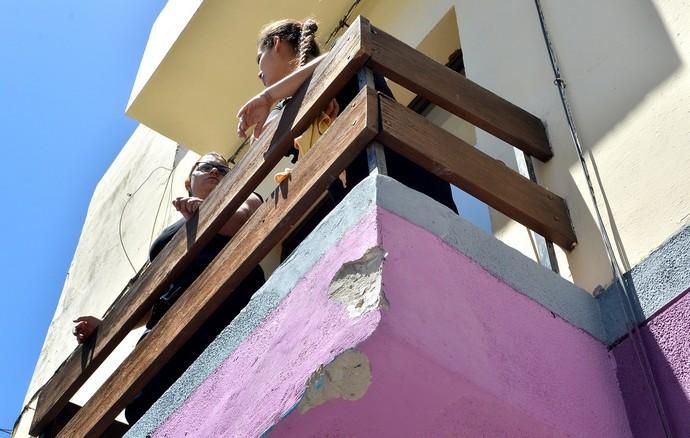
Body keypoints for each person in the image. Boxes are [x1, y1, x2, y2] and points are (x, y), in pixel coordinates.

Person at [73, 152, 265, 424]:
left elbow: (239, 221)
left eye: (223, 170)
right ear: (189, 181)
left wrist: (205, 209)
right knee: (149, 409)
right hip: (164, 330)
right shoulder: (168, 233)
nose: (215, 172)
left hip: (222, 307)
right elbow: (153, 297)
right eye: (207, 167)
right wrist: (106, 328)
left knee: (220, 391)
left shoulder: (245, 194)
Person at [237, 18, 458, 216]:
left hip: (414, 185)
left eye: (259, 59)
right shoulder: (283, 108)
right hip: (363, 207)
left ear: (276, 43)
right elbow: (266, 137)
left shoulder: (342, 49)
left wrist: (268, 97)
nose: (258, 73)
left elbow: (337, 57)